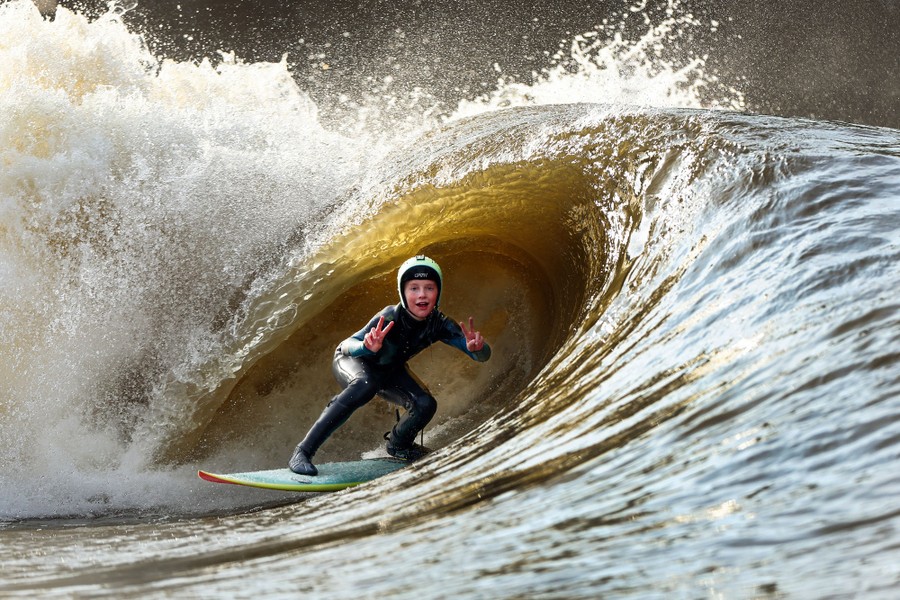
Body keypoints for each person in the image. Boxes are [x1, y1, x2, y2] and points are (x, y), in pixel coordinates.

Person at [288, 255, 492, 476]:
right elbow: (347, 346)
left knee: (425, 403)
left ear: (438, 293)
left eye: (429, 288)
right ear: (403, 293)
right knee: (365, 385)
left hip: (389, 369)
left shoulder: (440, 324)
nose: (422, 294)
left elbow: (482, 356)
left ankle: (399, 445)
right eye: (414, 288)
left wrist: (476, 349)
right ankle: (303, 452)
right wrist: (366, 347)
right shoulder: (389, 316)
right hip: (353, 361)